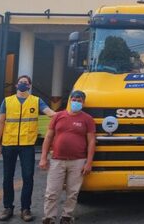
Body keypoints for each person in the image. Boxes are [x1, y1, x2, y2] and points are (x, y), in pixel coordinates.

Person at [0, 75, 56, 222]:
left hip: (27, 145)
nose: (23, 84)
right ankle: (8, 208)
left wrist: (67, 114)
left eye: (25, 83)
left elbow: (50, 113)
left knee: (28, 177)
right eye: (20, 82)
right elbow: (0, 122)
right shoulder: (7, 101)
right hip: (9, 144)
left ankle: (25, 209)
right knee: (7, 177)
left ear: (29, 86)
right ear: (16, 85)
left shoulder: (36, 101)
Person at [39, 90, 95, 224]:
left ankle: (67, 217)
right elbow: (48, 137)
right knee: (52, 192)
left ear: (83, 102)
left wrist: (88, 162)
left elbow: (92, 141)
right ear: (70, 100)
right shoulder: (58, 116)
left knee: (73, 192)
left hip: (78, 161)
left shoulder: (87, 119)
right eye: (74, 99)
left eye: (79, 100)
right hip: (57, 160)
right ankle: (49, 217)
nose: (76, 102)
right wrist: (43, 157)